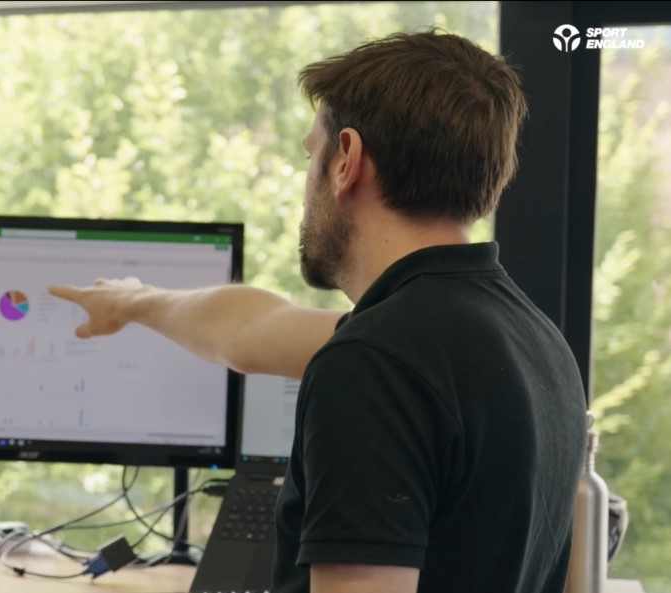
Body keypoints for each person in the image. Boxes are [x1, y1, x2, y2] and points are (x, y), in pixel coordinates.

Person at [51, 30, 587, 593]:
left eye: (312, 153)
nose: (306, 184)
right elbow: (252, 329)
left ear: (346, 161)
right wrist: (134, 302)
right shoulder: (524, 338)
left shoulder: (377, 363)